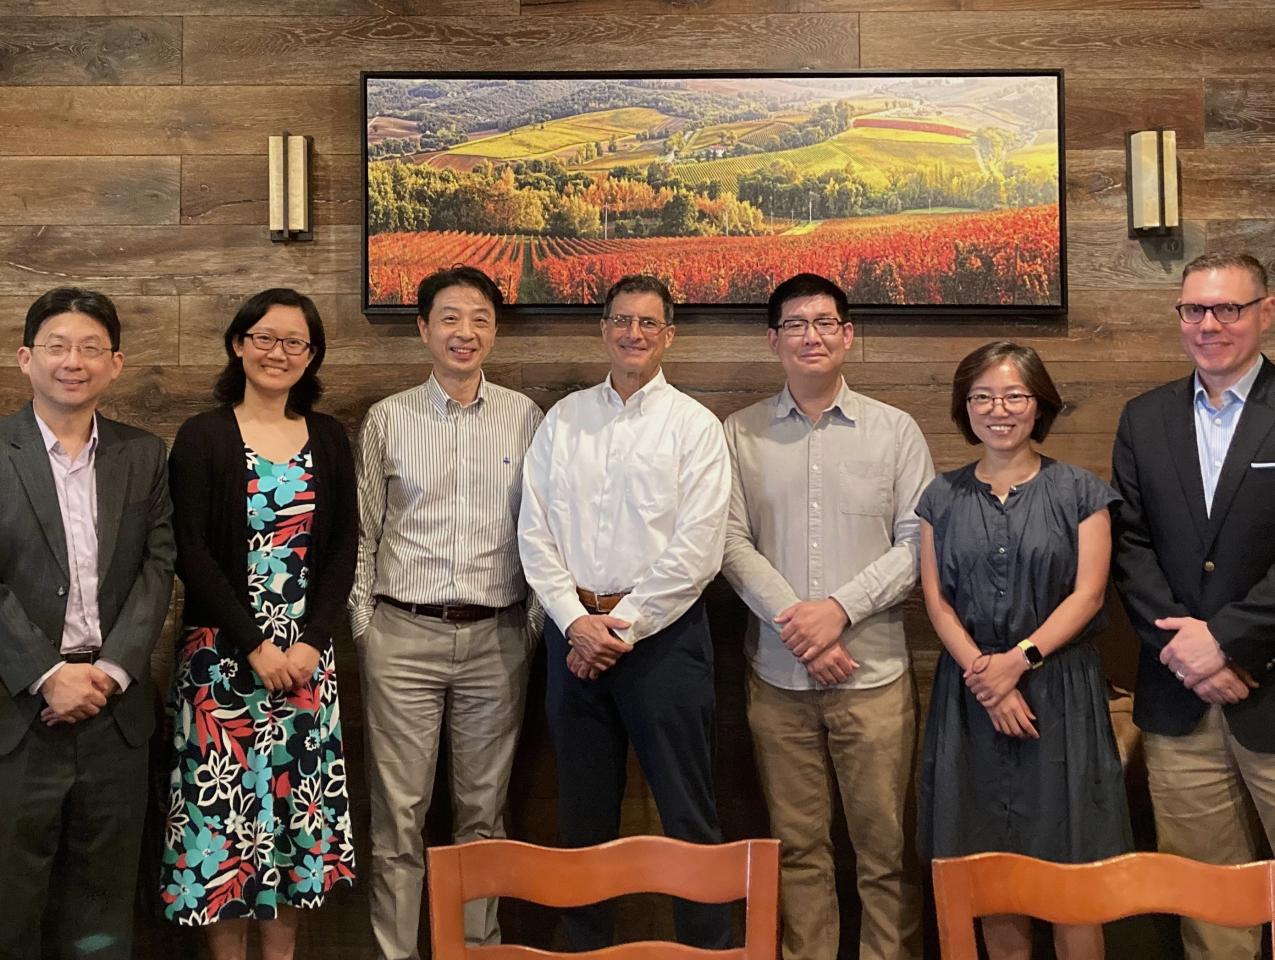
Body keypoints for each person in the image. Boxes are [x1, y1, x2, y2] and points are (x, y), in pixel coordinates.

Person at [518, 274, 731, 951]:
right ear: (602, 329)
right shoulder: (565, 419)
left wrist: (621, 628)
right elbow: (534, 530)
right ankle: (585, 948)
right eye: (620, 321)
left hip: (665, 644)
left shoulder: (693, 426)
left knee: (688, 814)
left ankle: (706, 948)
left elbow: (698, 549)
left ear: (667, 334)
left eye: (647, 322)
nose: (632, 333)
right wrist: (574, 623)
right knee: (581, 817)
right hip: (571, 637)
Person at [721, 273, 931, 960]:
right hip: (777, 683)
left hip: (872, 679)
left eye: (823, 322)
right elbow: (727, 540)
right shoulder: (739, 432)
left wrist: (839, 611)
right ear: (772, 339)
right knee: (798, 851)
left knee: (885, 853)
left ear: (846, 334)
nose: (810, 335)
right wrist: (800, 625)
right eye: (795, 324)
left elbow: (917, 543)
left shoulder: (894, 430)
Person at [349, 266, 543, 960]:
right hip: (402, 636)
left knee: (482, 817)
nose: (466, 332)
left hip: (497, 637)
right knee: (398, 819)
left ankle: (475, 949)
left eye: (480, 318)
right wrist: (368, 629)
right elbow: (364, 534)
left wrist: (528, 626)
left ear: (495, 329)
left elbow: (541, 531)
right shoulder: (389, 417)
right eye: (451, 318)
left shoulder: (525, 416)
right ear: (424, 328)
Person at [160, 288, 357, 959]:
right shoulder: (204, 435)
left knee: (292, 833)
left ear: (311, 355)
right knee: (226, 833)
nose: (278, 352)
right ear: (239, 344)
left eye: (294, 341)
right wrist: (257, 644)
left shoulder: (328, 437)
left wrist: (308, 644)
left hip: (305, 665)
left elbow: (343, 551)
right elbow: (192, 550)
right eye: (264, 337)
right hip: (223, 666)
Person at [918, 341, 1131, 960]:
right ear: (965, 408)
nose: (998, 409)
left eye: (1014, 395)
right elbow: (936, 600)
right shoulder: (941, 496)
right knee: (991, 869)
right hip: (972, 694)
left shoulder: (1082, 493)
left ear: (1039, 404)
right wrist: (986, 675)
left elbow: (1089, 596)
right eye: (982, 396)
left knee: (1073, 869)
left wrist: (1018, 662)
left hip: (1060, 694)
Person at [0, 287, 174, 960]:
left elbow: (160, 567)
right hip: (18, 713)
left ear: (116, 364)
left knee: (103, 912)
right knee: (11, 906)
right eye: (57, 346)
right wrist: (46, 675)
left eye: (90, 348)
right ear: (25, 358)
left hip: (115, 712)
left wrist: (107, 672)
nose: (73, 361)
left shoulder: (143, 454)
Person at [1112, 252, 1275, 960]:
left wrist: (1228, 642)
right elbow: (1129, 546)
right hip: (1177, 698)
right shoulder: (1143, 418)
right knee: (1206, 901)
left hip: (1269, 685)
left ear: (1264, 313)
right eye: (1193, 310)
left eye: (1227, 309)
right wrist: (1188, 654)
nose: (1208, 325)